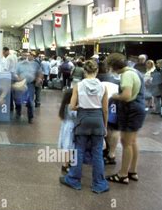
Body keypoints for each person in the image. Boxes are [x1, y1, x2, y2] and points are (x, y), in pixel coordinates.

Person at [59, 60, 110, 194]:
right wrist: (105, 127)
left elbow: (71, 106)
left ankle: (74, 179)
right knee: (97, 152)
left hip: (82, 119)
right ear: (97, 71)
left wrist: (81, 107)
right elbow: (105, 109)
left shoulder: (78, 85)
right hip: (98, 119)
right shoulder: (103, 86)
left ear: (84, 72)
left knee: (79, 150)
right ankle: (99, 183)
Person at [106, 53, 146, 185]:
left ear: (113, 66)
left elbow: (127, 96)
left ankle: (123, 175)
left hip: (131, 111)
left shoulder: (126, 76)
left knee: (126, 143)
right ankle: (132, 171)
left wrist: (115, 96)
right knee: (133, 142)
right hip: (139, 109)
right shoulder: (135, 71)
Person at [97, 60, 121, 165]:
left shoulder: (97, 79)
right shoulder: (117, 77)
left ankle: (104, 150)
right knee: (114, 128)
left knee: (104, 127)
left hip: (104, 101)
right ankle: (112, 153)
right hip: (118, 100)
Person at [15, 52, 43, 124]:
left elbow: (39, 73)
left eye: (27, 55)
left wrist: (39, 78)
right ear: (21, 56)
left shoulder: (35, 64)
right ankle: (18, 112)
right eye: (24, 55)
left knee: (30, 101)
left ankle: (30, 117)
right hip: (20, 85)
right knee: (18, 100)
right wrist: (18, 78)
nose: (26, 57)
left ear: (31, 56)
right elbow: (15, 74)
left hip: (30, 85)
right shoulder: (18, 65)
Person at [58, 89, 76, 174]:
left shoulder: (64, 105)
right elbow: (75, 115)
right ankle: (65, 164)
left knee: (66, 145)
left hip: (65, 126)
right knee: (69, 146)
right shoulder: (70, 106)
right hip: (70, 128)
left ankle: (66, 163)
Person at [2, 47, 18, 112]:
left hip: (10, 77)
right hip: (15, 76)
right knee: (15, 92)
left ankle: (11, 107)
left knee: (10, 93)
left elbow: (6, 69)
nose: (3, 54)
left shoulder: (8, 58)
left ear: (7, 51)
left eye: (3, 52)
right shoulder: (15, 56)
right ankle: (17, 106)